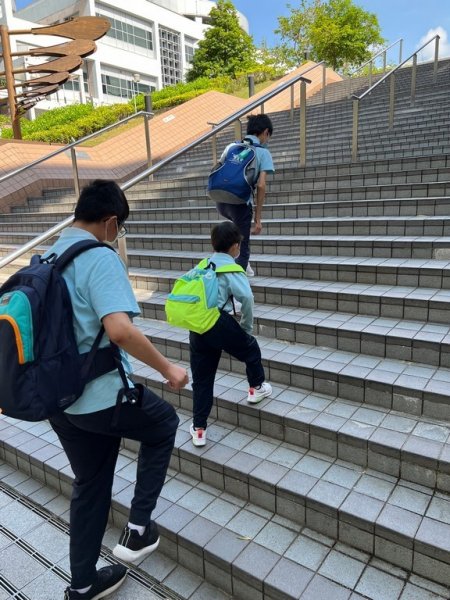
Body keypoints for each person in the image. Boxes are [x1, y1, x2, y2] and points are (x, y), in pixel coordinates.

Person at [45, 180, 188, 600]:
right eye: (118, 228)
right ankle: (140, 529)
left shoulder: (49, 254)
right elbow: (120, 330)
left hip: (60, 401)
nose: (117, 235)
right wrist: (168, 369)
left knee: (89, 484)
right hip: (100, 397)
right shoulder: (98, 257)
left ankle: (83, 583)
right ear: (109, 222)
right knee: (163, 424)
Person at [189, 221, 272, 447]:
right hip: (218, 322)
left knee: (202, 379)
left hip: (197, 325)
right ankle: (256, 388)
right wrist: (245, 330)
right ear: (235, 246)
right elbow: (247, 299)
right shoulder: (232, 268)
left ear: (213, 243)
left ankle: (199, 429)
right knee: (251, 349)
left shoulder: (203, 265)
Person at [216, 114, 275, 277]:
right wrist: (257, 219)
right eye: (268, 135)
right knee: (243, 246)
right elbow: (261, 185)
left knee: (233, 237)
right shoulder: (263, 153)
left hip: (221, 202)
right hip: (240, 204)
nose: (267, 139)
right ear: (265, 132)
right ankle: (237, 287)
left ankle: (241, 266)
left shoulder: (231, 146)